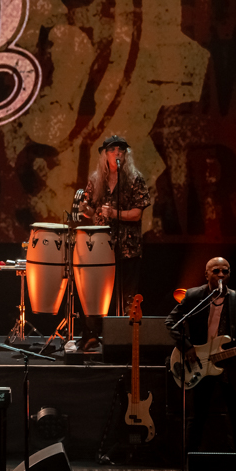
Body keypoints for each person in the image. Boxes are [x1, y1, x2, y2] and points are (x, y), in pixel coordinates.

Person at [165, 257, 236, 451]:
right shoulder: (194, 296)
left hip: (230, 363)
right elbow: (171, 322)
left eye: (225, 271)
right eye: (216, 271)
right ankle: (191, 460)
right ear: (206, 274)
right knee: (198, 416)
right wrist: (187, 347)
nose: (221, 275)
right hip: (200, 362)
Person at [78, 134, 151, 347]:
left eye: (121, 150)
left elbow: (137, 213)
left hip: (128, 246)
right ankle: (93, 335)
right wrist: (85, 209)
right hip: (101, 247)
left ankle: (126, 339)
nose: (117, 153)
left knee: (128, 294)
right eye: (112, 150)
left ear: (126, 154)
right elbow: (91, 210)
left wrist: (115, 214)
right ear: (105, 154)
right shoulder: (95, 179)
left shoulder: (135, 178)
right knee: (98, 292)